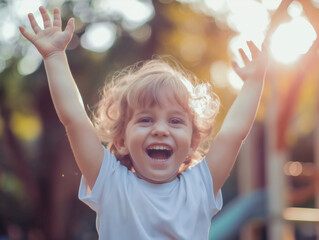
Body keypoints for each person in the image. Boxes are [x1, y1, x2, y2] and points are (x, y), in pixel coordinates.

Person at [19, 6, 268, 240]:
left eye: (175, 121)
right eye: (146, 120)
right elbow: (74, 120)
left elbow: (233, 134)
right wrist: (54, 56)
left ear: (193, 143)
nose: (160, 130)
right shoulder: (110, 182)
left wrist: (255, 83)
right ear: (121, 140)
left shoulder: (200, 186)